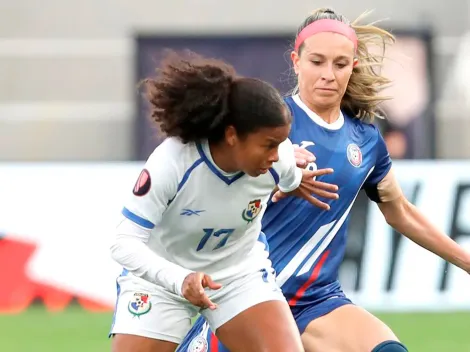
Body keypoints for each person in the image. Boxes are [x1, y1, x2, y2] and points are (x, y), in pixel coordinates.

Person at [178, 8, 470, 352]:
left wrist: (466, 262)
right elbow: (204, 198)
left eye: (340, 64)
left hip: (313, 301)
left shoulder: (365, 141)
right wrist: (275, 176)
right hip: (245, 299)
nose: (328, 74)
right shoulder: (264, 125)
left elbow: (400, 211)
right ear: (296, 61)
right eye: (317, 61)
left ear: (353, 67)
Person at [108, 51, 340, 352]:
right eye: (269, 145)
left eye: (281, 143)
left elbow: (288, 176)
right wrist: (181, 280)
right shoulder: (173, 162)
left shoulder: (279, 157)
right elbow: (123, 243)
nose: (277, 154)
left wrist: (295, 182)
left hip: (237, 274)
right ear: (232, 135)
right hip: (163, 281)